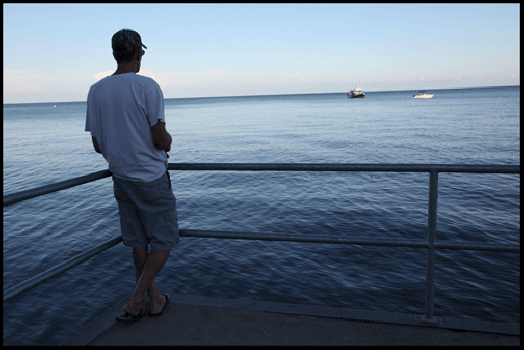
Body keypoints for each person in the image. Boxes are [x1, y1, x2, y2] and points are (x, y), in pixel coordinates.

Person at [85, 29, 179, 324]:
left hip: (121, 178)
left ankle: (155, 299)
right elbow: (160, 138)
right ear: (139, 54)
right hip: (150, 177)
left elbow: (97, 144)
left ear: (115, 54)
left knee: (138, 241)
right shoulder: (147, 86)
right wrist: (168, 142)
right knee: (164, 241)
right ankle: (136, 299)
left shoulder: (96, 90)